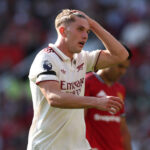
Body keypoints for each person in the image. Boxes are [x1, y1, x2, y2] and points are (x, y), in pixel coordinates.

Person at [27, 9, 129, 150]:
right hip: (47, 145)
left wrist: (94, 25)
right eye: (80, 29)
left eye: (87, 32)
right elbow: (54, 97)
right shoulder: (46, 59)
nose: (85, 36)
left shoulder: (82, 58)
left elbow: (121, 55)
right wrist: (96, 102)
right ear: (63, 31)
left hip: (78, 146)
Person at [85, 46, 132, 150]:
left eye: (125, 68)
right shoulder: (87, 83)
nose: (122, 72)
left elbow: (122, 127)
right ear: (107, 60)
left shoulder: (120, 89)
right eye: (120, 66)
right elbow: (79, 121)